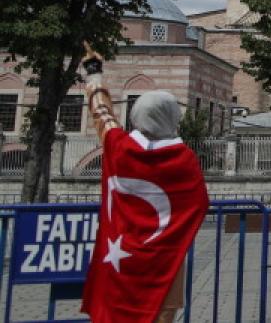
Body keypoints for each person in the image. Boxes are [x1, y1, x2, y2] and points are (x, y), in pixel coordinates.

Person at [78, 43, 209, 323]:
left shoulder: (119, 146)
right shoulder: (183, 159)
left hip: (118, 258)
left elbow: (102, 114)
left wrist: (94, 74)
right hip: (164, 261)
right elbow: (198, 204)